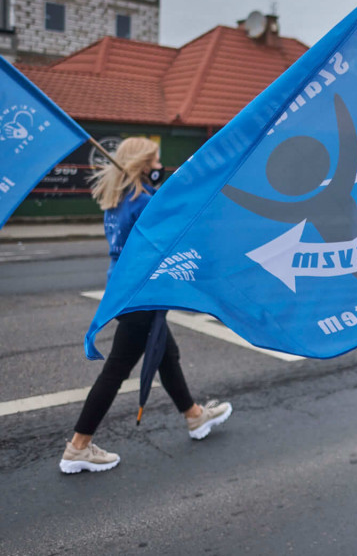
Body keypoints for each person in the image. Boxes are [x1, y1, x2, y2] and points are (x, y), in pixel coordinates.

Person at [59, 137, 232, 474]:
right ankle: (78, 447)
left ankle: (195, 416)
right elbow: (178, 230)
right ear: (139, 164)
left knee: (166, 355)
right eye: (153, 162)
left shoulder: (118, 200)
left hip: (126, 290)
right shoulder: (144, 202)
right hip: (141, 294)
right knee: (117, 369)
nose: (158, 168)